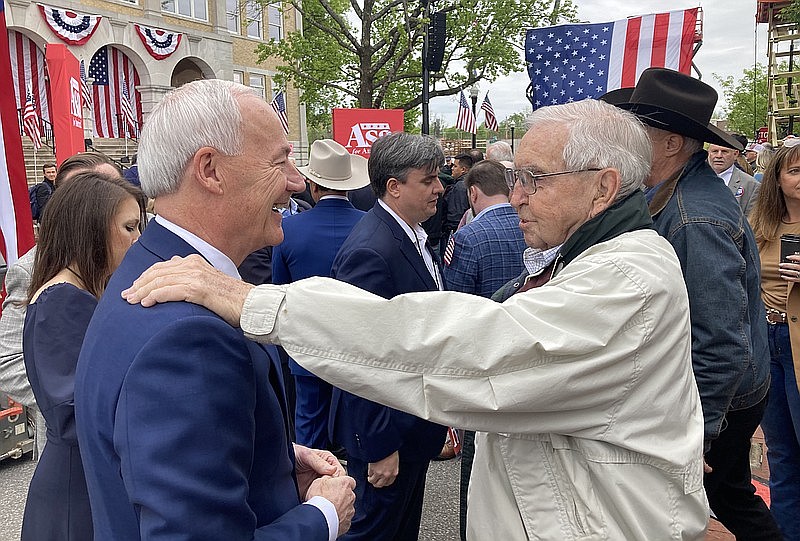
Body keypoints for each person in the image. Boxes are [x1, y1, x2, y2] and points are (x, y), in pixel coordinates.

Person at [123, 98, 709, 540]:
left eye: (534, 178)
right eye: (516, 178)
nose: (518, 195)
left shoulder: (625, 280)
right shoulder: (603, 260)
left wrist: (257, 302)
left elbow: (468, 348)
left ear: (603, 188)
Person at [74, 80, 355, 540]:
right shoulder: (185, 335)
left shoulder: (151, 268)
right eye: (279, 160)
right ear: (210, 170)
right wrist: (322, 516)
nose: (296, 182)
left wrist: (277, 462)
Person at [610, 67, 780, 540]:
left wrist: (694, 435)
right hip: (722, 392)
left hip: (719, 398)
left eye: (638, 130)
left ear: (670, 144)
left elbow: (722, 341)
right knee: (724, 499)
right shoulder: (674, 193)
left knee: (725, 503)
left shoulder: (694, 216)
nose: (628, 141)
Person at [328, 132, 448, 541]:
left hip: (411, 427)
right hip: (389, 435)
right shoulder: (372, 250)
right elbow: (357, 353)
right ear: (394, 187)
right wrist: (379, 445)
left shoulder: (408, 233)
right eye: (428, 180)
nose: (440, 188)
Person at [21, 171, 145, 541]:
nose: (139, 240)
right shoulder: (61, 299)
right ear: (91, 230)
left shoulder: (82, 291)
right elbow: (76, 412)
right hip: (77, 489)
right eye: (129, 227)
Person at [0, 153, 126, 459]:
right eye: (87, 192)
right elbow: (8, 360)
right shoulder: (31, 269)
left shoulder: (131, 259)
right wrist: (70, 402)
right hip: (71, 448)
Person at [440, 159, 526, 540]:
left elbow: (454, 309)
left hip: (483, 372)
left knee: (477, 479)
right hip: (531, 369)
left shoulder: (470, 237)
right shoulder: (535, 226)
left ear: (473, 194)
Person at [272, 138, 369, 451]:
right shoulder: (371, 227)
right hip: (361, 347)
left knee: (310, 433)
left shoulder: (289, 232)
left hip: (308, 347)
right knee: (361, 429)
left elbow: (279, 294)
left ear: (312, 185)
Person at [748, 143, 800, 541]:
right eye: (795, 171)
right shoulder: (760, 222)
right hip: (768, 340)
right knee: (781, 456)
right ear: (778, 178)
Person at [707, 143, 761, 216]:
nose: (719, 156)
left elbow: (751, 221)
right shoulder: (695, 179)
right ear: (708, 153)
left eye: (724, 152)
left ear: (735, 154)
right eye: (715, 151)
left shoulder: (751, 185)